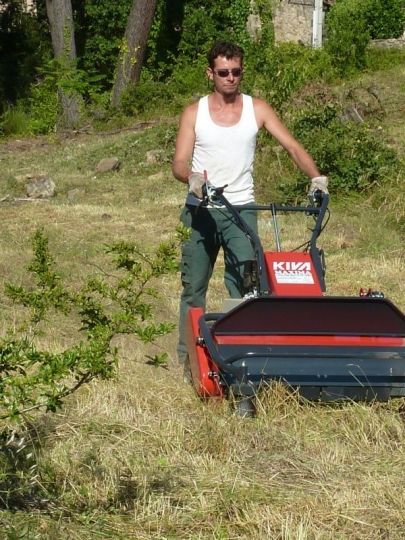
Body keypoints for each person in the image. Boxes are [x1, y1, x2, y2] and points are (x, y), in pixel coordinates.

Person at [171, 40, 328, 373]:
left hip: (241, 209)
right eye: (223, 72)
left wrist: (316, 178)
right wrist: (193, 178)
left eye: (236, 72)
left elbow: (292, 146)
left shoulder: (257, 109)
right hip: (201, 210)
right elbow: (179, 162)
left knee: (245, 286)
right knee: (193, 287)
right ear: (210, 73)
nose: (230, 78)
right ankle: (188, 362)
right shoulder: (193, 113)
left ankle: (239, 358)